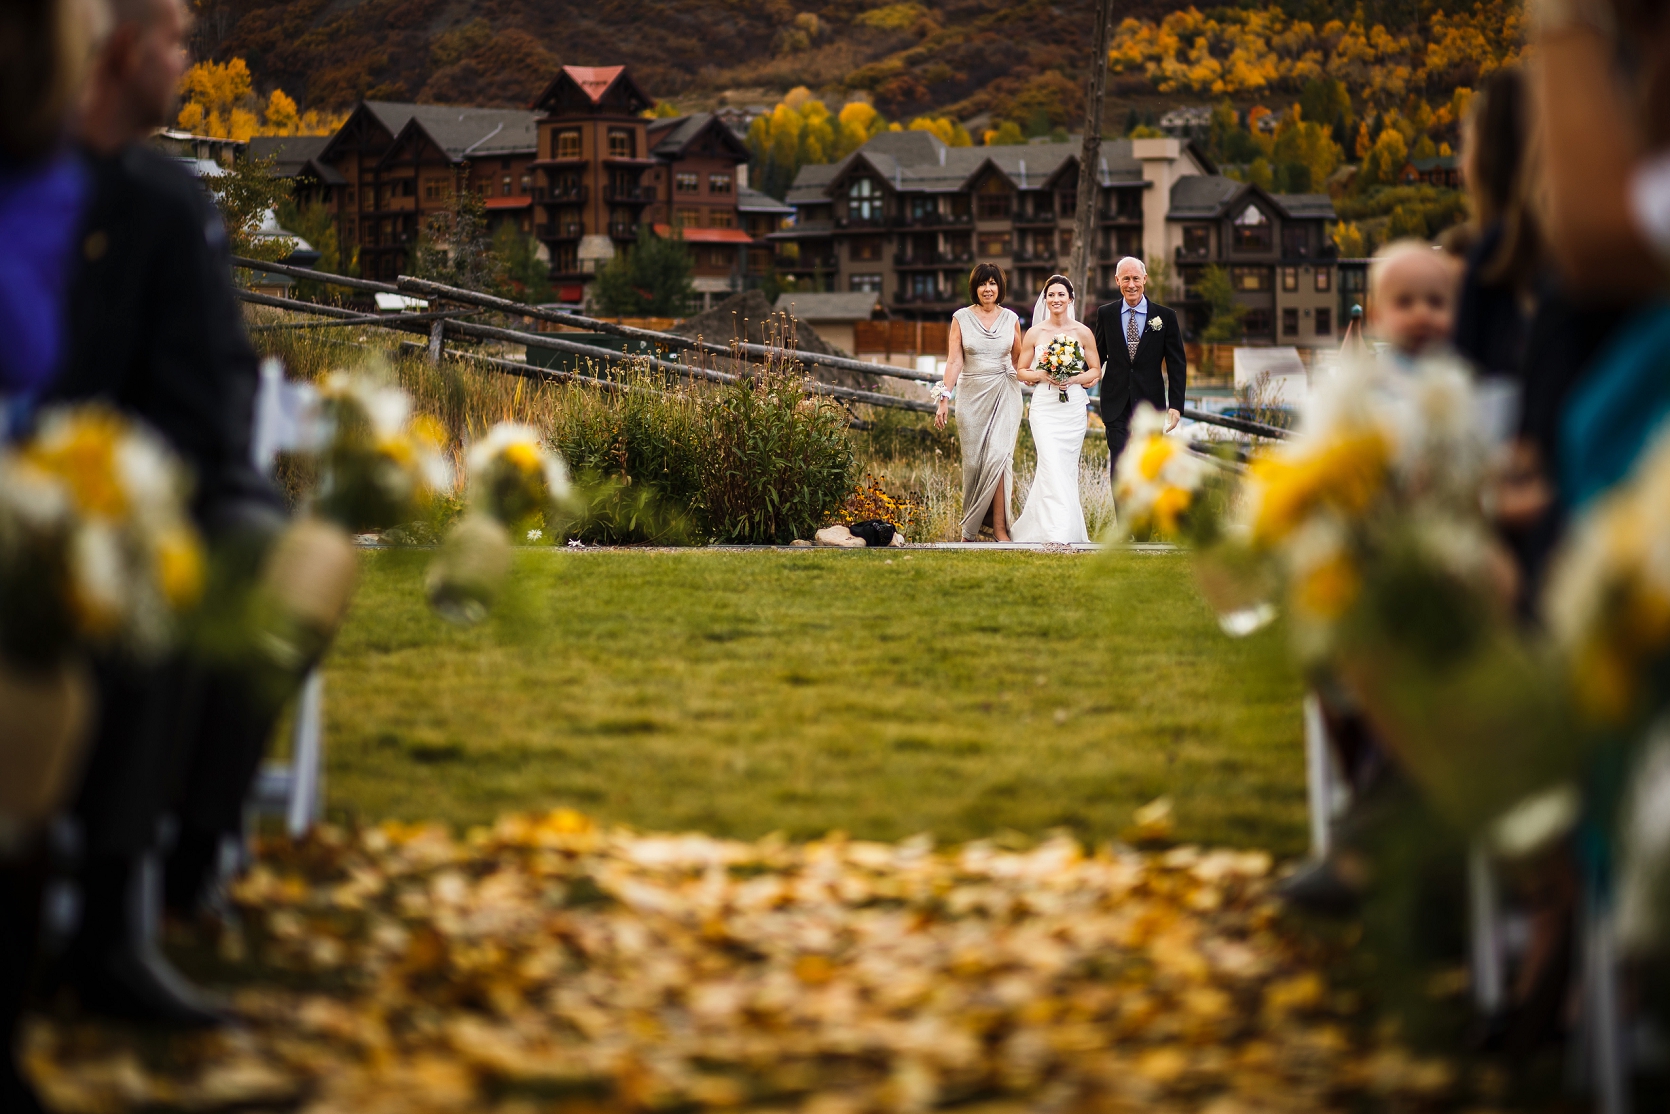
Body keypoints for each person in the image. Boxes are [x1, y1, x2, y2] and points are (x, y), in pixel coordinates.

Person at [42, 0, 286, 1027]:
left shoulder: (172, 198)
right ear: (128, 50)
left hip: (179, 474)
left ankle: (184, 857)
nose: (187, 65)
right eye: (180, 44)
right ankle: (111, 901)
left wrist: (198, 469)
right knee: (155, 563)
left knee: (248, 546)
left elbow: (221, 378)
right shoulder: (48, 191)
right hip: (62, 477)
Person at [935, 264, 1024, 542]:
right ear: (975, 287)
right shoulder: (960, 317)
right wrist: (943, 398)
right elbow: (954, 360)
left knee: (999, 458)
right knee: (974, 464)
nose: (988, 289)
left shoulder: (1011, 318)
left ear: (1000, 288)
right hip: (972, 395)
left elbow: (1019, 359)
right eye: (983, 284)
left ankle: (999, 530)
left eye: (993, 284)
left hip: (1005, 393)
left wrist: (1046, 376)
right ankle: (970, 531)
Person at [1011, 275, 1101, 544]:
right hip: (1044, 408)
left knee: (1065, 468)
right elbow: (1020, 371)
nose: (1056, 299)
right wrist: (1041, 374)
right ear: (1045, 299)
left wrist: (1073, 378)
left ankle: (1061, 529)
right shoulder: (1035, 333)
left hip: (1072, 408)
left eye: (1061, 295)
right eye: (1051, 295)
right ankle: (1056, 533)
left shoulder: (1083, 332)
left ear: (1070, 298)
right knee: (1050, 463)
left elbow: (1095, 370)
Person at [1091, 257, 1186, 481]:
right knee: (1119, 466)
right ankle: (1122, 517)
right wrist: (1072, 375)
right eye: (1126, 279)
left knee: (1150, 466)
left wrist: (1176, 405)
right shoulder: (1106, 314)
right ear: (1117, 281)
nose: (1131, 284)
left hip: (1150, 403)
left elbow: (1176, 364)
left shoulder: (1166, 317)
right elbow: (1097, 356)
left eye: (1136, 278)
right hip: (1115, 401)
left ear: (1145, 279)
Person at [1364, 241, 1458, 361]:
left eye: (1435, 302)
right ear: (1376, 317)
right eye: (1405, 302)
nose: (1422, 314)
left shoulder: (1466, 375)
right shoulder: (1369, 378)